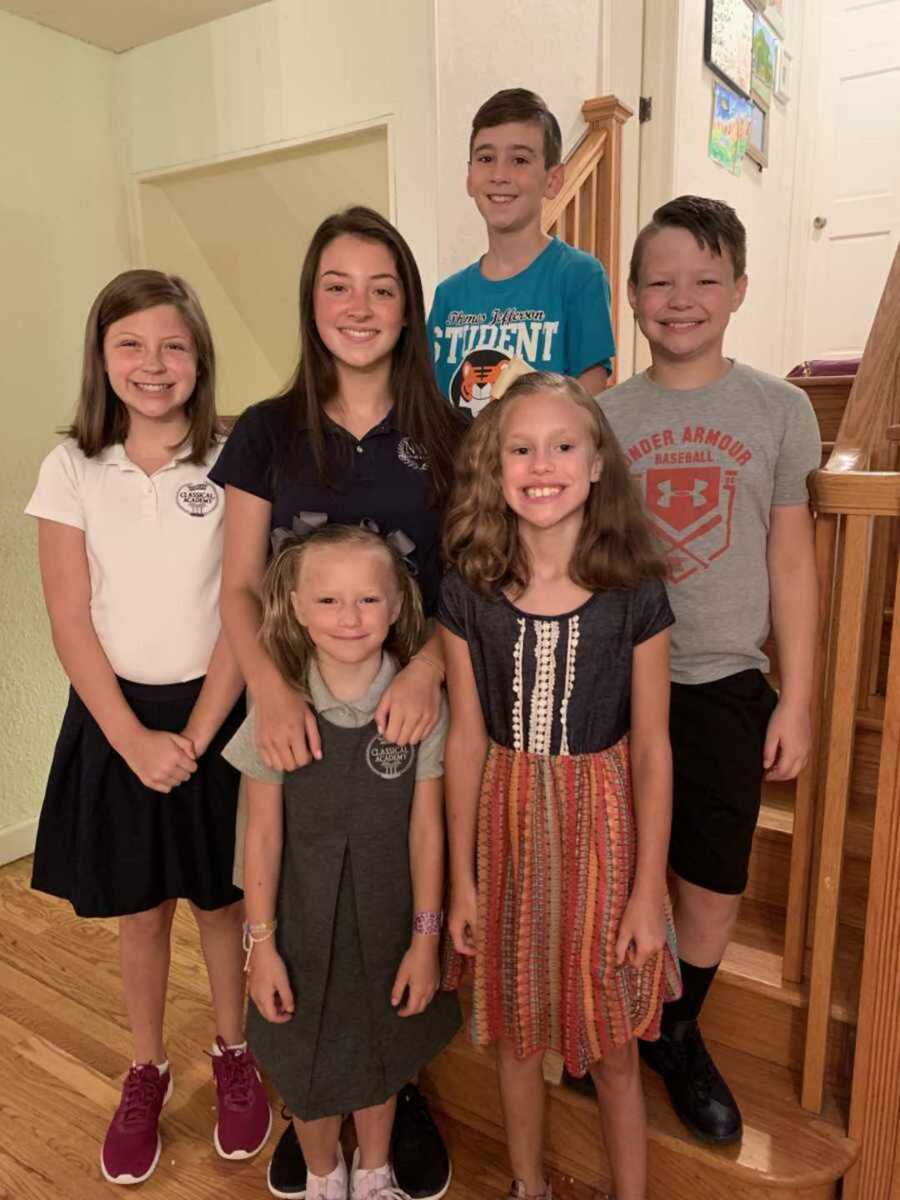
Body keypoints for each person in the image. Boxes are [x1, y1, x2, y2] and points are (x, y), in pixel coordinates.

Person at [209, 206, 467, 1199]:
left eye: (383, 287)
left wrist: (431, 666)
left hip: (414, 715)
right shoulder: (268, 432)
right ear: (311, 301)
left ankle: (394, 1092)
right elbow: (238, 584)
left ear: (409, 307)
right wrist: (269, 689)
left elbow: (475, 582)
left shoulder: (449, 433)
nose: (359, 307)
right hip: (299, 714)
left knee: (400, 903)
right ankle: (309, 1090)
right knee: (307, 903)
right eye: (338, 286)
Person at [25, 270, 271, 1186]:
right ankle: (146, 1068)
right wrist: (131, 739)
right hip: (116, 718)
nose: (153, 364)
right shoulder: (71, 467)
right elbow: (69, 616)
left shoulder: (240, 451)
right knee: (142, 911)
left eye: (173, 345)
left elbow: (245, 601)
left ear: (199, 356)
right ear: (102, 357)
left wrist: (201, 735)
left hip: (218, 712)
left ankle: (234, 1052)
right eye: (130, 345)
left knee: (222, 901)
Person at [599, 195, 820, 1144]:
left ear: (737, 289)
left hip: (726, 679)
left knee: (714, 879)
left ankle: (676, 1032)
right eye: (659, 281)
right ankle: (618, 1015)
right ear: (634, 296)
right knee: (615, 870)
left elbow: (793, 560)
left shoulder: (782, 409)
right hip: (615, 680)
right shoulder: (601, 416)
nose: (679, 299)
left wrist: (800, 696)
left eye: (702, 280)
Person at [440, 370, 681, 1200]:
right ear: (494, 467)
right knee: (512, 1031)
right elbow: (466, 740)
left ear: (597, 464)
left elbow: (651, 747)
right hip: (505, 823)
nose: (541, 465)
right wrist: (463, 882)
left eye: (563, 445)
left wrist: (648, 891)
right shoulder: (467, 591)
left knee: (614, 1042)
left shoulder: (635, 592)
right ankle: (527, 1184)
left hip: (604, 827)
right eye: (520, 448)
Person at [225, 524, 461, 1200]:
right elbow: (262, 834)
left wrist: (425, 939)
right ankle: (324, 1176)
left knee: (382, 1047)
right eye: (328, 601)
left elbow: (426, 828)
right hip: (297, 925)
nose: (350, 618)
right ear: (295, 607)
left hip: (389, 921)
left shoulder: (422, 708)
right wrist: (261, 944)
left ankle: (377, 1171)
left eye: (368, 600)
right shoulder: (275, 707)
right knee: (304, 1057)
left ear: (397, 606)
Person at [428, 88, 616, 416]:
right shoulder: (449, 296)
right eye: (486, 159)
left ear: (553, 180)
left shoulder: (579, 277)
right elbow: (430, 402)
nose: (500, 175)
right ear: (470, 176)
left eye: (519, 160)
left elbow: (589, 410)